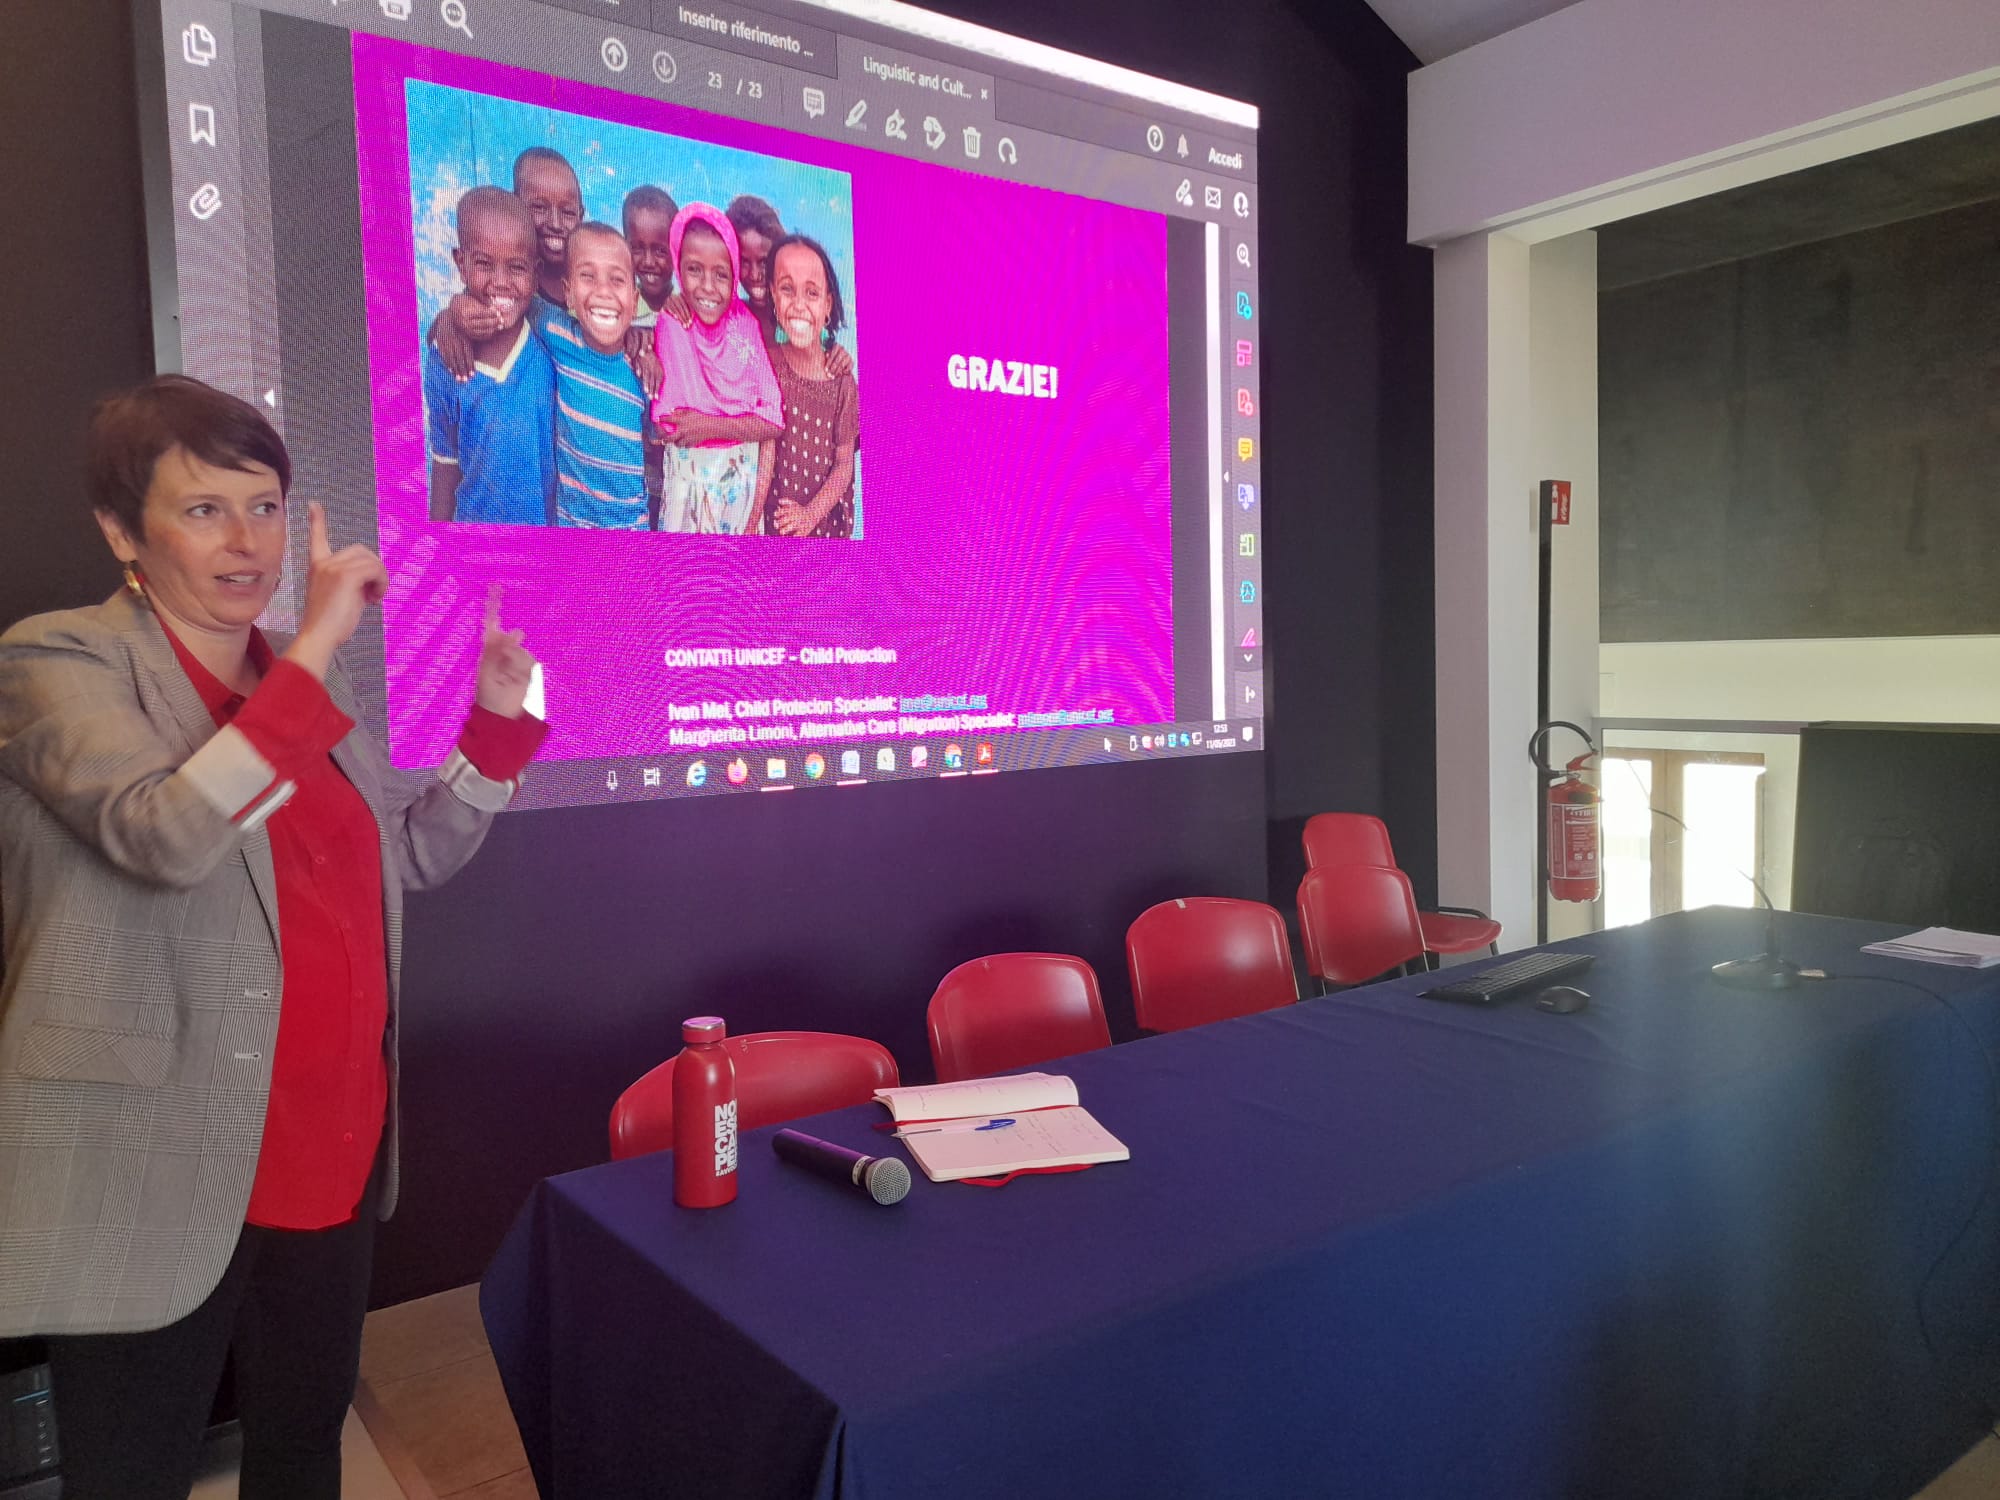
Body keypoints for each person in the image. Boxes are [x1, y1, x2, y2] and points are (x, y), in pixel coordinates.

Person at [0, 374, 546, 1499]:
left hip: (329, 1144)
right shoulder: (57, 660)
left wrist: (493, 729)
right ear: (121, 532)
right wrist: (316, 646)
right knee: (131, 1476)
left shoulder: (298, 670)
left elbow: (402, 862)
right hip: (158, 1157)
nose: (246, 542)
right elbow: (165, 833)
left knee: (301, 1449)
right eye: (204, 510)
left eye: (263, 508)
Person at [425, 187, 557, 525]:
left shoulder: (549, 346)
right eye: (484, 264)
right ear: (461, 263)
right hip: (476, 542)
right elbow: (446, 461)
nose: (500, 282)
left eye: (517, 268)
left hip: (546, 543)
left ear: (536, 272)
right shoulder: (444, 360)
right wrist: (435, 541)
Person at [652, 204, 785, 535]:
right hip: (688, 494)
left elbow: (773, 420)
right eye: (694, 270)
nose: (708, 287)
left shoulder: (744, 326)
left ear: (734, 275)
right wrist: (741, 424)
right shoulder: (674, 323)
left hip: (739, 494)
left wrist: (708, 425)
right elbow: (670, 426)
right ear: (678, 268)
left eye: (721, 274)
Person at [755, 234, 860, 540]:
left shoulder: (842, 383)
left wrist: (810, 515)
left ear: (827, 305)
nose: (799, 305)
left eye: (812, 293)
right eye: (787, 289)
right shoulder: (766, 364)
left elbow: (844, 465)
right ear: (773, 295)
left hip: (825, 532)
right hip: (772, 528)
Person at [624, 184, 680, 525]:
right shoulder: (621, 309)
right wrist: (628, 335)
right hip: (633, 465)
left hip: (676, 468)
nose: (648, 261)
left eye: (660, 251)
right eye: (637, 248)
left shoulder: (685, 310)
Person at [513, 145, 583, 310]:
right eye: (539, 207)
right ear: (515, 206)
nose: (555, 224)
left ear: (581, 217)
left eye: (567, 212)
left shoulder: (592, 284)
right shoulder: (507, 284)